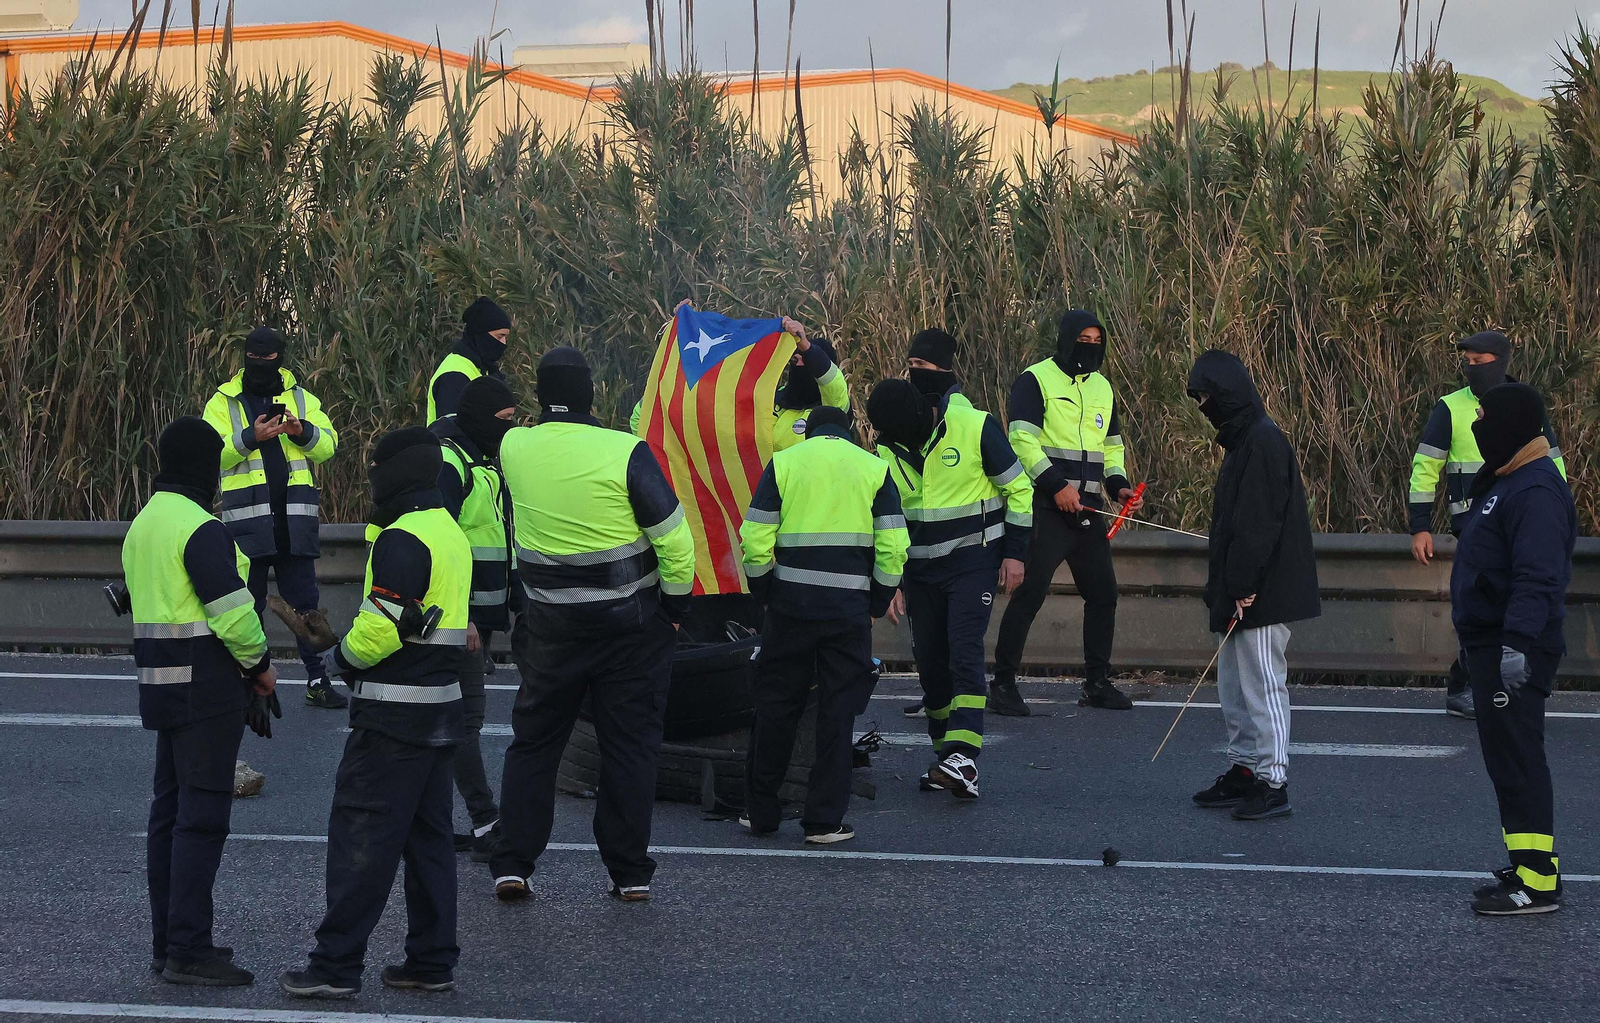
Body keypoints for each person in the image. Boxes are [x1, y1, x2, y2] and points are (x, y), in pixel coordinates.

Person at [491, 347, 696, 903]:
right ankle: (629, 874)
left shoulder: (515, 448)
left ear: (539, 395)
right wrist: (674, 613)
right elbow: (677, 544)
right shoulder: (625, 451)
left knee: (534, 744)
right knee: (629, 748)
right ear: (592, 394)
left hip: (550, 629)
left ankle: (513, 864)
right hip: (630, 632)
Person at [280, 428, 472, 999]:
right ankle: (430, 962)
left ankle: (335, 967)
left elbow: (381, 631)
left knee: (360, 839)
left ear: (396, 475)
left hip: (392, 718)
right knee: (429, 843)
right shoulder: (449, 531)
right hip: (439, 713)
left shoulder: (403, 538)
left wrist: (334, 658)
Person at [123, 416, 277, 986]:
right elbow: (233, 615)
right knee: (202, 820)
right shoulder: (200, 528)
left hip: (161, 686)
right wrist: (261, 667)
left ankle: (169, 942)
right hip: (207, 689)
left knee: (168, 816)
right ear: (205, 469)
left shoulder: (144, 524)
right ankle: (189, 950)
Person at [868, 332, 1031, 798]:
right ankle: (947, 758)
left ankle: (964, 755)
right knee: (931, 665)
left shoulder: (975, 426)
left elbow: (1019, 489)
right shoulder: (887, 446)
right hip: (920, 571)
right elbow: (885, 520)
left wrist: (1015, 552)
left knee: (964, 650)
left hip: (972, 561)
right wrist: (889, 580)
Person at [740, 405, 909, 842]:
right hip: (848, 612)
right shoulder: (874, 468)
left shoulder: (785, 463)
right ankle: (823, 822)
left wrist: (765, 593)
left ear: (808, 433)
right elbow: (894, 545)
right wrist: (877, 601)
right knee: (837, 714)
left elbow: (755, 538)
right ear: (849, 432)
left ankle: (761, 814)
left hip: (790, 608)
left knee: (777, 706)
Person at [1450, 383, 1573, 915]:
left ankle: (1538, 880)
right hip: (1491, 643)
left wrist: (1516, 645)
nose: (1477, 426)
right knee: (1506, 760)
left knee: (1519, 759)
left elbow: (1537, 576)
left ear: (1511, 425)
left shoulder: (1534, 488)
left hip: (1513, 647)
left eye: (1484, 417)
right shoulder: (1508, 479)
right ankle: (1525, 864)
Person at [1185, 351, 1320, 821]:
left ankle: (1273, 781)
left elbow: (1258, 522)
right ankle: (1244, 769)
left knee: (1263, 686)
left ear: (1227, 394)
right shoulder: (1244, 441)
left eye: (1206, 397)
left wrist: (1243, 584)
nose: (1203, 407)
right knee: (1234, 689)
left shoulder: (1262, 441)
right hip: (1239, 589)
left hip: (1262, 591)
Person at [1408, 330, 1566, 719]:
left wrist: (1558, 516)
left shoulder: (1524, 405)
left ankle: (1503, 684)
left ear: (1500, 361)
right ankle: (1464, 687)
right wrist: (1420, 525)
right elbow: (1426, 466)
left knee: (1514, 601)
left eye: (1479, 362)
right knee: (1481, 607)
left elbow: (1551, 462)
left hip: (1520, 520)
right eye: (1468, 362)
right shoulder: (1451, 407)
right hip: (1473, 524)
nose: (1471, 368)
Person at [991, 310, 1142, 714]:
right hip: (1046, 507)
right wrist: (1055, 486)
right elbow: (1021, 441)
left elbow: (1111, 446)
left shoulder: (1103, 388)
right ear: (1066, 339)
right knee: (1030, 594)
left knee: (1103, 594)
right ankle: (1002, 684)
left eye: (1097, 341)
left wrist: (1118, 484)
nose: (1090, 347)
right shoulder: (1035, 380)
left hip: (1088, 509)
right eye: (1083, 340)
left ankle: (1097, 683)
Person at [202, 327, 343, 709]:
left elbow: (328, 447)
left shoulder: (301, 398)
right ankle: (251, 683)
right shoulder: (223, 402)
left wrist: (300, 431)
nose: (261, 363)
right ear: (244, 357)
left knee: (306, 607)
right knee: (248, 607)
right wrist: (252, 437)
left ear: (281, 358)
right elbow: (210, 453)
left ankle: (318, 681)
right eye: (255, 357)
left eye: (268, 358)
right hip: (247, 524)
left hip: (293, 521)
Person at [432, 376, 519, 861]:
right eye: (503, 420)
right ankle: (486, 821)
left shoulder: (484, 460)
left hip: (476, 615)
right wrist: (461, 615)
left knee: (455, 722)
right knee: (463, 720)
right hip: (455, 616)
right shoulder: (452, 462)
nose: (509, 429)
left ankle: (434, 824)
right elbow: (438, 541)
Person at [629, 304, 847, 448]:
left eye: (805, 360)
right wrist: (683, 332)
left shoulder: (832, 407)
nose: (798, 364)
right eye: (795, 358)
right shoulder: (767, 400)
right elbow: (648, 418)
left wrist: (805, 345)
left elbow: (832, 382)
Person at [428, 296, 511, 424]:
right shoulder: (454, 376)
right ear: (481, 334)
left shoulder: (485, 368)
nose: (504, 343)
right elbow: (450, 430)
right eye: (500, 336)